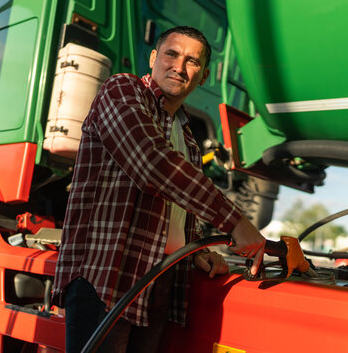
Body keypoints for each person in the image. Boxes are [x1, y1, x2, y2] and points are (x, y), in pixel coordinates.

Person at [52, 26, 266, 352]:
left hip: (160, 282)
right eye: (172, 54)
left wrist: (196, 251)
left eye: (191, 61)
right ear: (153, 58)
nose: (179, 67)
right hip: (107, 277)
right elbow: (151, 165)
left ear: (204, 76)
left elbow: (173, 210)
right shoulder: (121, 90)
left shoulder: (188, 138)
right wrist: (235, 221)